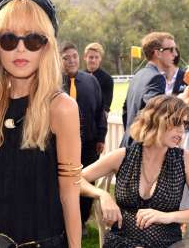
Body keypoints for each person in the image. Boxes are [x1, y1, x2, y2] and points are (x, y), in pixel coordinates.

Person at [0, 0, 82, 248]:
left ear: (46, 47)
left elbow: (70, 193)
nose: (21, 49)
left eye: (33, 40)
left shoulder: (61, 108)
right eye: (9, 40)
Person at [80, 94, 189, 248]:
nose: (182, 131)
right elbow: (76, 179)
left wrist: (167, 216)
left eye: (185, 124)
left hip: (166, 244)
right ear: (157, 120)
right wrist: (103, 195)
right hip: (122, 242)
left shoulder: (184, 160)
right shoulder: (122, 156)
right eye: (177, 123)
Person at [60, 42, 107, 234]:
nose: (71, 60)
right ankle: (63, 220)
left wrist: (101, 137)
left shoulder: (90, 81)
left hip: (88, 144)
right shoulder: (53, 82)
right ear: (59, 60)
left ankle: (82, 220)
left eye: (74, 56)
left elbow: (99, 111)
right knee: (64, 182)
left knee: (87, 182)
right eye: (66, 57)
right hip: (61, 144)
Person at [121, 31, 177, 147]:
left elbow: (125, 111)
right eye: (171, 49)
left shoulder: (138, 75)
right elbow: (159, 113)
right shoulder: (156, 78)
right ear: (157, 53)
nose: (175, 54)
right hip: (142, 150)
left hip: (128, 144)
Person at [83, 42, 114, 114]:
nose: (93, 60)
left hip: (98, 121)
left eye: (96, 57)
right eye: (91, 57)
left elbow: (106, 107)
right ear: (85, 57)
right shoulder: (79, 77)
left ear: (100, 59)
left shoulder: (107, 79)